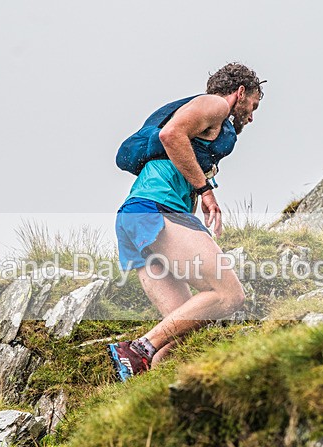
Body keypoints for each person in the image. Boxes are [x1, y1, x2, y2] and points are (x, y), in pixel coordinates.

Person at [109, 63, 264, 381]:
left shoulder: (209, 126)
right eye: (253, 105)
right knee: (229, 295)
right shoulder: (215, 105)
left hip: (136, 218)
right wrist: (205, 190)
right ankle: (138, 350)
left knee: (181, 331)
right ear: (240, 93)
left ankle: (143, 392)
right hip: (156, 211)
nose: (251, 115)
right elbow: (170, 134)